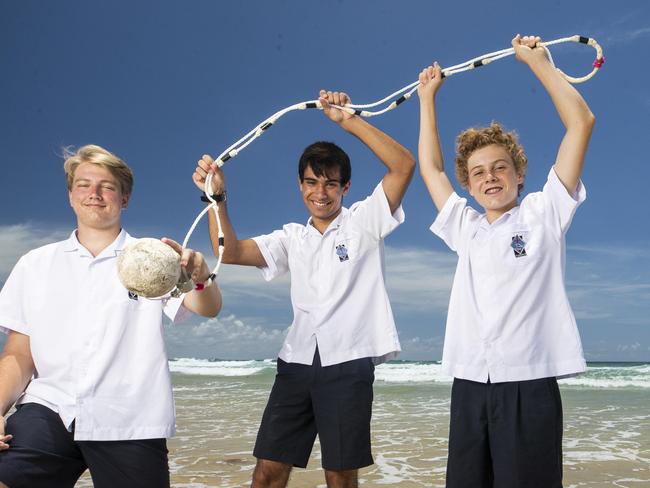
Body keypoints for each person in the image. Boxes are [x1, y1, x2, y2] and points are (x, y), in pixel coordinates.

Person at [193, 89, 415, 488]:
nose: (320, 192)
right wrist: (217, 199)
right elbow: (229, 250)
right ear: (300, 185)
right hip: (295, 362)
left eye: (331, 184)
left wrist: (346, 119)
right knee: (268, 471)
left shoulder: (365, 222)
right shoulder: (290, 237)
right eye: (312, 182)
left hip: (349, 362)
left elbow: (403, 165)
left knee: (340, 475)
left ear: (345, 188)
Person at [417, 35, 595, 487]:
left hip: (529, 384)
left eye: (499, 167)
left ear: (519, 173)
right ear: (469, 185)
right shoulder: (466, 226)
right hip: (471, 384)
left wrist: (540, 65)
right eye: (477, 172)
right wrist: (427, 99)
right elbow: (432, 170)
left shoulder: (545, 211)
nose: (489, 177)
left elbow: (581, 122)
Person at [0, 145, 222, 488]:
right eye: (84, 184)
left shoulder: (153, 259)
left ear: (125, 198)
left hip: (130, 417)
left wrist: (200, 277)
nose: (94, 194)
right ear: (71, 196)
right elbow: (19, 353)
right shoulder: (35, 264)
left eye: (107, 186)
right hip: (50, 408)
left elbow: (208, 308)